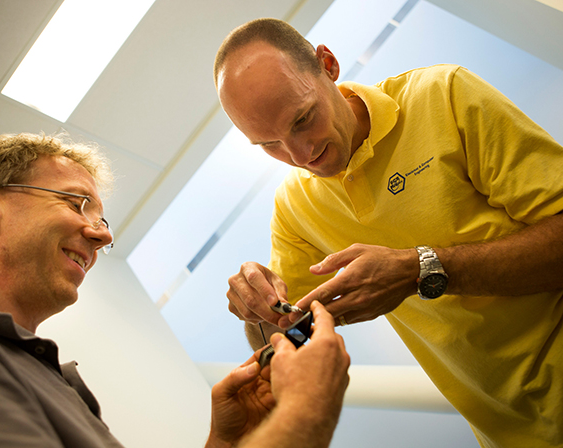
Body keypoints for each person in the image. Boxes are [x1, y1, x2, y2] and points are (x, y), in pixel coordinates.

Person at [213, 17, 563, 448]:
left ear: (328, 64)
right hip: (512, 434)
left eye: (303, 119)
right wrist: (259, 312)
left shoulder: (443, 95)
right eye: (268, 144)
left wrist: (420, 269)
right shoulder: (293, 208)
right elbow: (291, 335)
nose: (300, 154)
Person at [0, 132, 350, 448]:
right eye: (77, 204)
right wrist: (305, 416)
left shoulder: (58, 385)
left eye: (102, 220)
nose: (103, 236)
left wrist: (229, 442)